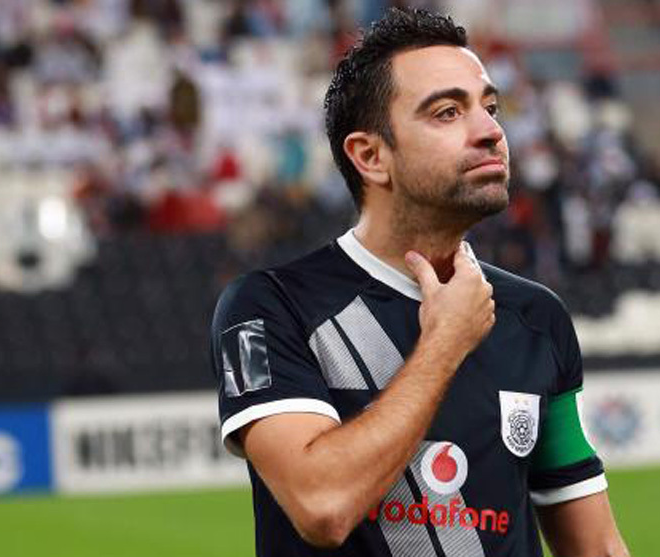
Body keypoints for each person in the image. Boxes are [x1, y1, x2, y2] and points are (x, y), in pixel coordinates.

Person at [210, 8, 630, 557]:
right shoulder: (271, 306)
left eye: (490, 108)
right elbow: (322, 505)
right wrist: (445, 343)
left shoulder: (535, 318)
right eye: (447, 112)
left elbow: (595, 545)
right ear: (370, 156)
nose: (491, 132)